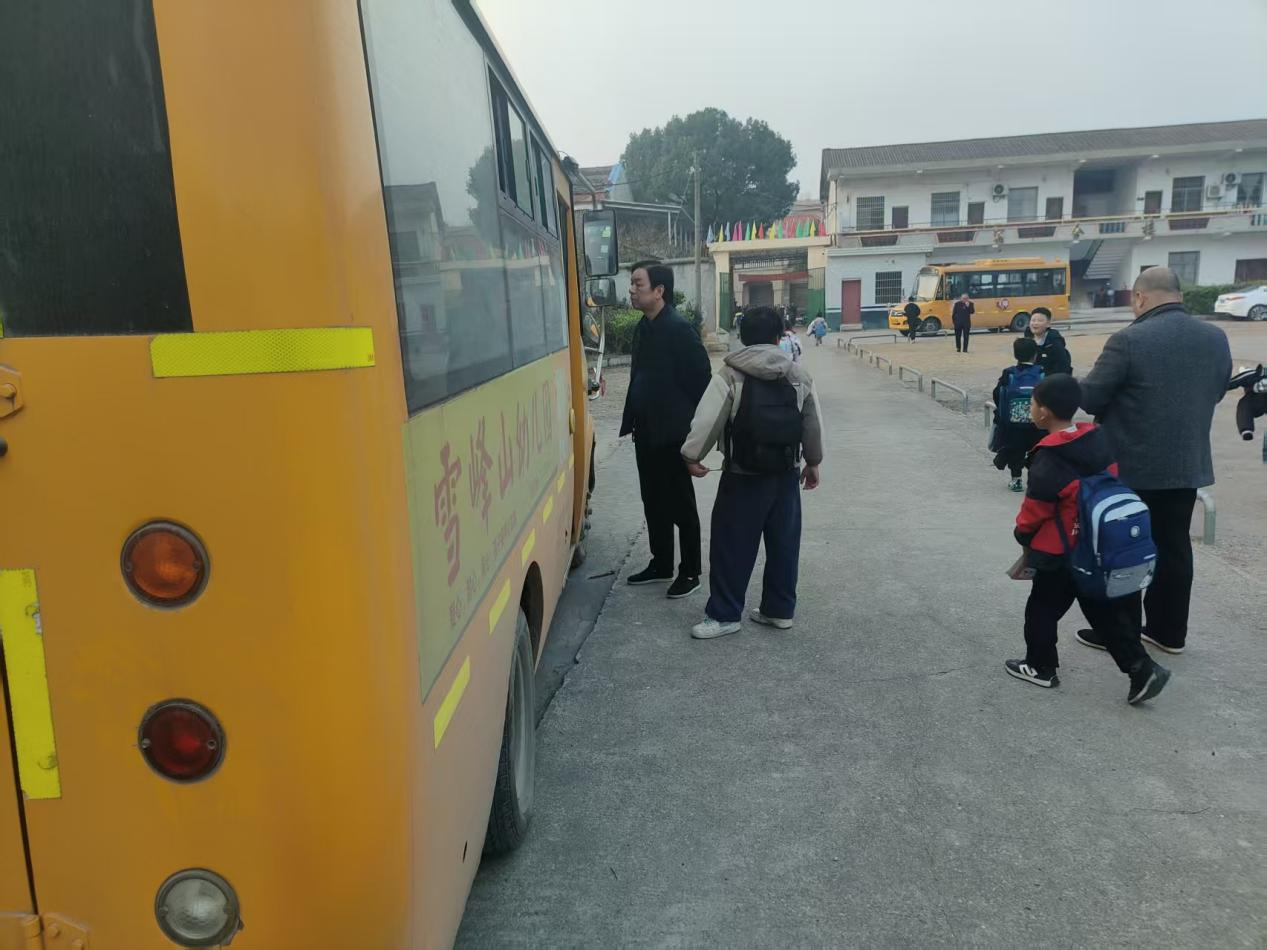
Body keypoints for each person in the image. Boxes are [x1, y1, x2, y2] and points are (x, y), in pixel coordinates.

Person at [1076, 267, 1232, 655]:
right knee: (1174, 547)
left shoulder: (1129, 340)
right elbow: (1216, 391)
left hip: (1133, 467)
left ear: (1140, 297)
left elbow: (1092, 398)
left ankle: (1120, 634)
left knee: (1124, 546)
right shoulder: (1215, 337)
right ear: (1179, 295)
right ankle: (1168, 632)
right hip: (1186, 464)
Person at [1007, 374, 1170, 704]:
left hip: (1058, 551)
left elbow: (1035, 511)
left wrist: (1021, 535)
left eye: (1034, 404)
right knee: (1102, 612)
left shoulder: (1048, 456)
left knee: (1041, 609)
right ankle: (1141, 668)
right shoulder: (1095, 439)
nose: (1033, 409)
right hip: (1096, 545)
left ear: (1044, 412)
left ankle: (1040, 666)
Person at [680, 306, 824, 640]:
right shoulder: (798, 375)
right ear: (779, 335)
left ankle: (724, 614)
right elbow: (812, 422)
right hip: (785, 475)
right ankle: (779, 610)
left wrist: (691, 455)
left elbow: (707, 419)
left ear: (742, 337)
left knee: (731, 545)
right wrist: (813, 462)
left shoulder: (731, 374)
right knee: (784, 544)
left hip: (741, 476)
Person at [620, 261, 713, 598]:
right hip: (645, 432)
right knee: (654, 501)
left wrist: (694, 436)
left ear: (659, 291)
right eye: (632, 284)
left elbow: (702, 384)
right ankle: (661, 563)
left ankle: (690, 571)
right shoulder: (643, 328)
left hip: (673, 436)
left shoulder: (679, 330)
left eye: (638, 284)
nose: (631, 290)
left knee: (680, 504)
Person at [991, 338, 1045, 491]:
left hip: (1013, 423)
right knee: (1038, 450)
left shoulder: (1009, 373)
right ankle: (1035, 479)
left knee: (1016, 450)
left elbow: (997, 394)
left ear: (1015, 354)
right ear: (1035, 355)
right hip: (1038, 422)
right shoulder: (1041, 372)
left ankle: (1016, 480)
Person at [1024, 307, 1072, 375]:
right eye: (1033, 320)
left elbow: (1062, 365)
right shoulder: (1027, 338)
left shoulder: (1054, 341)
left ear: (1048, 324)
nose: (1035, 323)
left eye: (1040, 321)